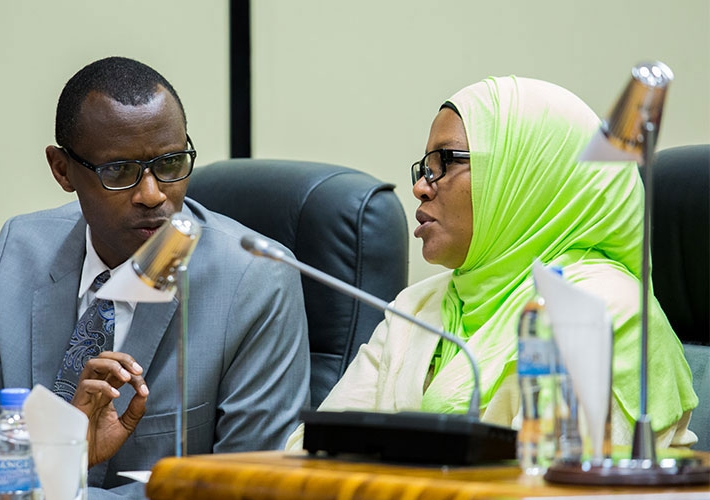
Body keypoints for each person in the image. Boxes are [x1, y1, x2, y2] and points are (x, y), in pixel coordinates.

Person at [0, 56, 310, 500]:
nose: (152, 194)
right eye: (120, 171)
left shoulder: (255, 280)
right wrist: (46, 468)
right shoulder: (23, 249)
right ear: (62, 169)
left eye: (170, 163)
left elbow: (248, 490)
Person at [287, 75, 697, 450]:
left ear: (527, 175)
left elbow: (546, 492)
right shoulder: (418, 306)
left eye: (445, 162)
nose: (418, 188)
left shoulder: (600, 310)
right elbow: (308, 450)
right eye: (424, 169)